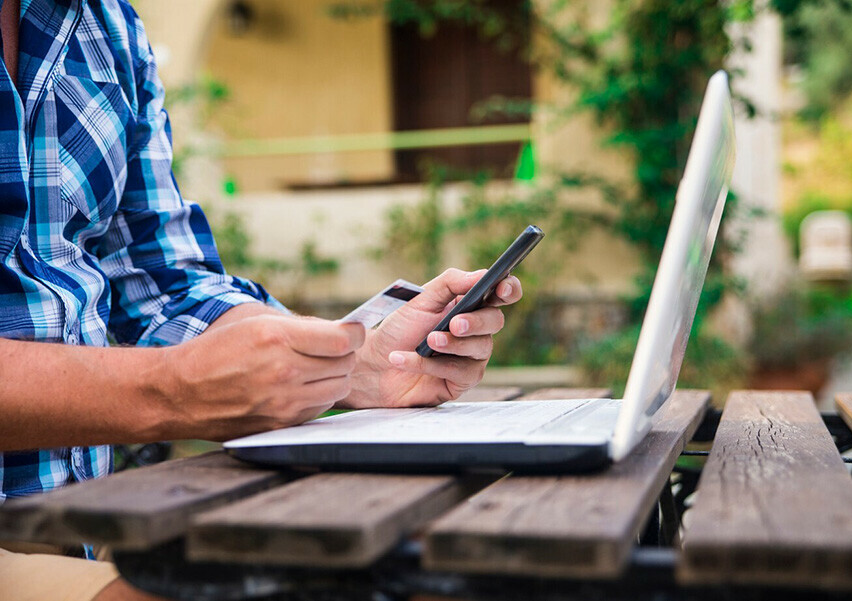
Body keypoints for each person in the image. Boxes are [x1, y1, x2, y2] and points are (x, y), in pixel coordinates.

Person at [0, 0, 523, 599]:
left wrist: (349, 364)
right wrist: (169, 386)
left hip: (84, 524)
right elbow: (171, 369)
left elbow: (163, 278)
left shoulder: (108, 23)